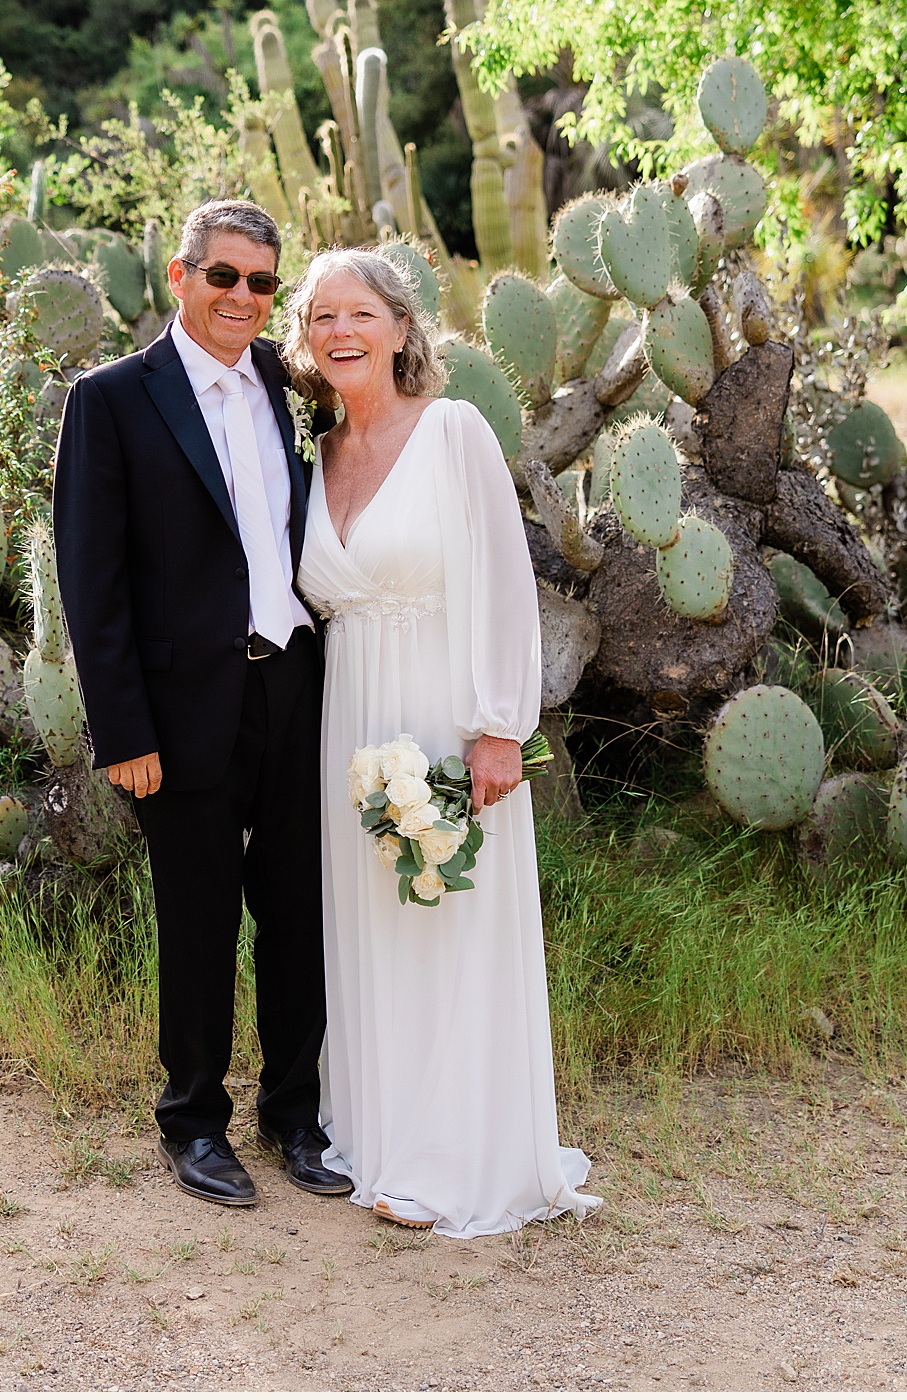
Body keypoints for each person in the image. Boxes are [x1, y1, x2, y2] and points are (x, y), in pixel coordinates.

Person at [288, 247, 601, 1238]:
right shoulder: (318, 455)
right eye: (320, 316)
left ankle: (449, 1153)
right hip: (349, 712)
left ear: (399, 325)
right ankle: (372, 1130)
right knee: (369, 925)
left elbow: (502, 581)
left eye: (357, 313)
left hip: (438, 704)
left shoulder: (453, 430)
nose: (339, 332)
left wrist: (498, 725)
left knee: (442, 912)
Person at [50, 199, 353, 1210]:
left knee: (298, 915)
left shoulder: (285, 382)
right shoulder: (111, 399)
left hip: (294, 682)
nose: (242, 297)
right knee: (197, 919)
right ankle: (193, 1121)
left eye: (263, 282)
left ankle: (293, 1115)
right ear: (178, 277)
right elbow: (91, 584)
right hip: (177, 708)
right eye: (223, 276)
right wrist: (122, 731)